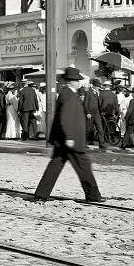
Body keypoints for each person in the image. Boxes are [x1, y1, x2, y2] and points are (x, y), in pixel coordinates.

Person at [33, 67, 102, 203]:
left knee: (56, 165)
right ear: (72, 81)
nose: (79, 83)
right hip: (71, 139)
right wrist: (69, 137)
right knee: (83, 166)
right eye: (77, 80)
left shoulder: (68, 93)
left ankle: (41, 194)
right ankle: (93, 195)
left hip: (64, 139)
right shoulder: (68, 94)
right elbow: (65, 118)